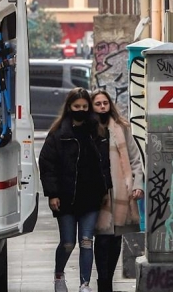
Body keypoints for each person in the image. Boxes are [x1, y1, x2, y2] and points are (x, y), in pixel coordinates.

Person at [39, 87, 112, 292]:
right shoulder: (58, 134)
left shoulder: (96, 132)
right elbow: (47, 165)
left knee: (87, 241)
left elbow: (104, 163)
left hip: (91, 196)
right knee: (68, 242)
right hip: (65, 196)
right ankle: (59, 275)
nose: (80, 110)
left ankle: (84, 284)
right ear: (69, 107)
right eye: (76, 106)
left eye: (84, 106)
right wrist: (52, 193)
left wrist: (106, 189)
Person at [91, 90, 144, 292]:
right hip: (98, 192)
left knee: (115, 239)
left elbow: (134, 159)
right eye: (98, 103)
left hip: (119, 191)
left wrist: (137, 184)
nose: (103, 107)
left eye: (105, 103)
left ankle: (107, 280)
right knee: (102, 238)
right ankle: (103, 283)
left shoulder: (121, 128)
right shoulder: (89, 129)